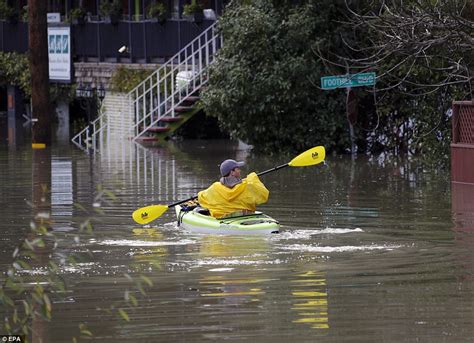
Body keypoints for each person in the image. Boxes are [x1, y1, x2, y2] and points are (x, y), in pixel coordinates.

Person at [198, 159, 269, 218]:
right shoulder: (246, 185)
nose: (240, 171)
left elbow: (201, 197)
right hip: (245, 217)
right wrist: (253, 179)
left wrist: (200, 195)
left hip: (224, 218)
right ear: (232, 172)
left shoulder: (215, 187)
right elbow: (263, 196)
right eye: (238, 169)